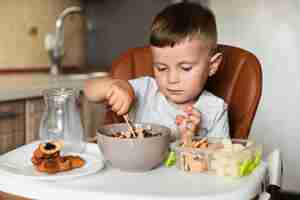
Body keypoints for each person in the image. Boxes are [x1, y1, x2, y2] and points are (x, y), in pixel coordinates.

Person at [84, 2, 229, 140]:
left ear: (212, 65)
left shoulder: (214, 110)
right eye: (161, 68)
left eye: (185, 68)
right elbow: (88, 89)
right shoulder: (144, 91)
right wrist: (115, 85)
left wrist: (191, 141)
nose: (172, 79)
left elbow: (223, 159)